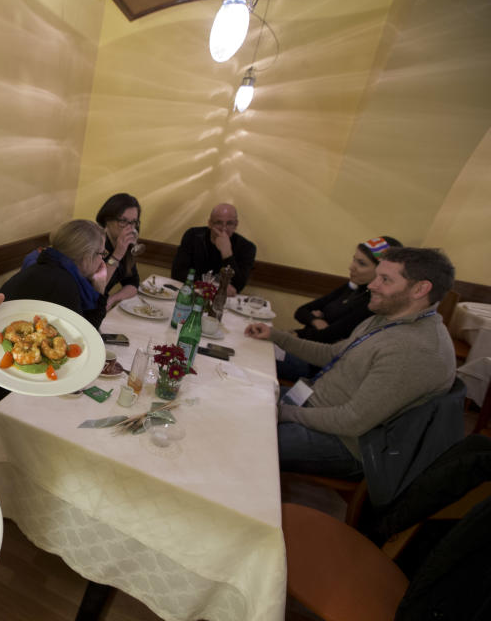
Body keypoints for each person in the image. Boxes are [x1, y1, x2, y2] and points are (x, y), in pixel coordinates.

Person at [245, 247, 457, 479]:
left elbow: (352, 422)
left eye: (385, 279)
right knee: (236, 395)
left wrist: (284, 412)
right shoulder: (386, 319)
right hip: (314, 406)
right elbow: (332, 354)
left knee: (243, 437)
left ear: (420, 289)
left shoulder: (417, 351)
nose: (372, 286)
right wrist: (276, 336)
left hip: (343, 442)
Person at [0, 219, 109, 408]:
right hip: (6, 395)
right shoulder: (63, 284)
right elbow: (85, 341)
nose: (103, 261)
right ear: (87, 256)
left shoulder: (39, 267)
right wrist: (100, 291)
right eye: (102, 253)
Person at [277, 236, 403, 380]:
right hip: (302, 346)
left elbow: (326, 337)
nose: (351, 266)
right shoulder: (352, 287)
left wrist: (297, 333)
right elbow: (301, 311)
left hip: (315, 365)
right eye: (354, 259)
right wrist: (316, 321)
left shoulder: (372, 305)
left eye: (361, 263)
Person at [171, 203, 256, 296]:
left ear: (236, 225)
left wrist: (227, 254)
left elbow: (237, 286)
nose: (224, 229)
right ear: (210, 223)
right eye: (219, 222)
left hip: (222, 303)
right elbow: (177, 273)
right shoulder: (193, 235)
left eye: (229, 223)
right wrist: (213, 287)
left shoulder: (247, 248)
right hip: (189, 294)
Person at [95, 193, 141, 311]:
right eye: (123, 221)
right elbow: (95, 288)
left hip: (99, 307)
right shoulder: (96, 243)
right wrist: (117, 255)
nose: (130, 228)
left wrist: (113, 298)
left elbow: (133, 283)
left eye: (133, 222)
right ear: (107, 220)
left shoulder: (125, 246)